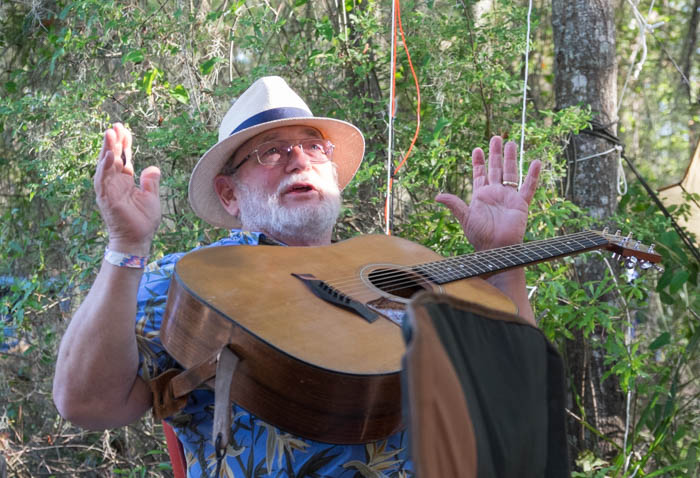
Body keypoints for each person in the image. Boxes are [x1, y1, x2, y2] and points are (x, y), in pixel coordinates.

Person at [53, 76, 541, 477]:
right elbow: (87, 403)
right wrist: (127, 246)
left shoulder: (392, 266)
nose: (300, 159)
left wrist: (502, 257)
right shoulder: (192, 281)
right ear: (229, 194)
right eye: (271, 151)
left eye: (314, 147)